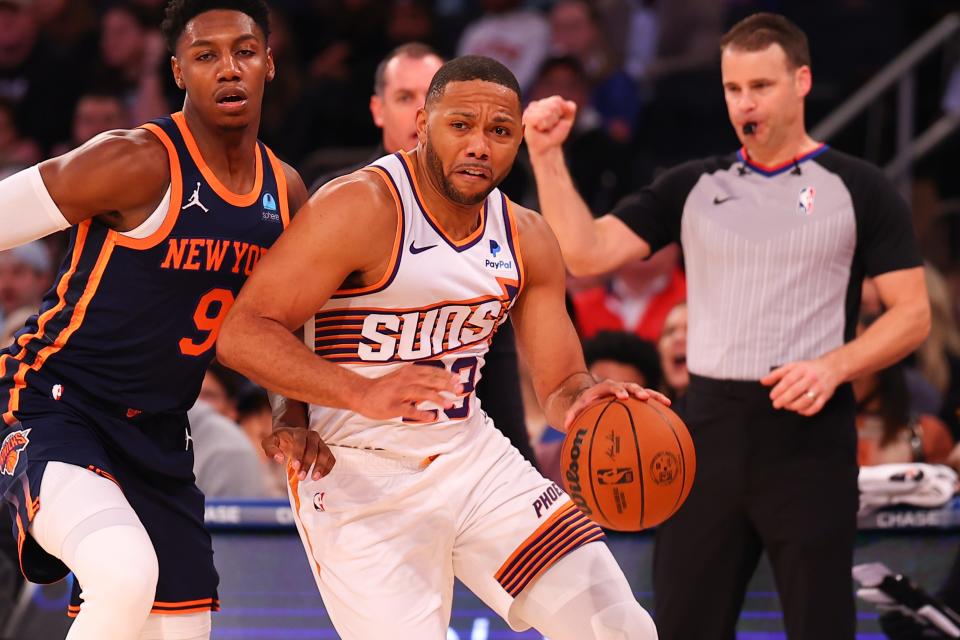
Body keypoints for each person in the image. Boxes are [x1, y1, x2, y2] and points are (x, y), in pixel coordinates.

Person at [217, 55, 661, 640]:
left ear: (518, 140)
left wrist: (589, 400)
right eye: (461, 125)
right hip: (357, 473)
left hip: (473, 459)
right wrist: (362, 392)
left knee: (619, 626)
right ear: (424, 124)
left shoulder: (526, 236)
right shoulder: (362, 206)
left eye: (499, 131)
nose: (480, 145)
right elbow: (242, 332)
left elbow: (559, 386)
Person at [523, 12, 931, 639]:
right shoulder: (694, 185)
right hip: (705, 430)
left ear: (801, 81)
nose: (746, 102)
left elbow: (912, 314)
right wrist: (547, 155)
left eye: (761, 86)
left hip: (810, 435)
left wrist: (834, 366)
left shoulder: (859, 187)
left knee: (822, 626)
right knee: (685, 623)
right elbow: (587, 252)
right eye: (733, 88)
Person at [0, 1, 308, 638]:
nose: (228, 69)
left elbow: (278, 325)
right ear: (177, 72)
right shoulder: (134, 160)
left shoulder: (286, 192)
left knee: (180, 630)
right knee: (122, 571)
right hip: (53, 403)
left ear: (270, 64)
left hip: (161, 432)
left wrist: (291, 416)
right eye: (205, 56)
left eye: (245, 52)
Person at [310, 42, 538, 469]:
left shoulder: (504, 212)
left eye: (429, 94)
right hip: (355, 444)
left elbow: (509, 394)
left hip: (459, 432)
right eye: (404, 96)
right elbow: (269, 325)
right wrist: (290, 414)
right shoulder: (343, 199)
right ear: (381, 110)